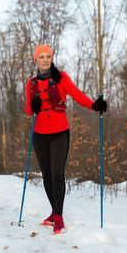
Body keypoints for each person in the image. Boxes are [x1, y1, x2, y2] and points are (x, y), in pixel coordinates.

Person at [25, 45, 107, 234]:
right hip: (39, 135)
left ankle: (59, 217)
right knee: (46, 175)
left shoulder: (61, 78)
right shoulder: (31, 84)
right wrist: (34, 106)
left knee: (56, 172)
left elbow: (76, 95)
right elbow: (29, 110)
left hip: (60, 132)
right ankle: (54, 212)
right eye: (41, 57)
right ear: (36, 60)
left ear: (51, 58)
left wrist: (94, 105)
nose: (45, 60)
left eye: (48, 56)